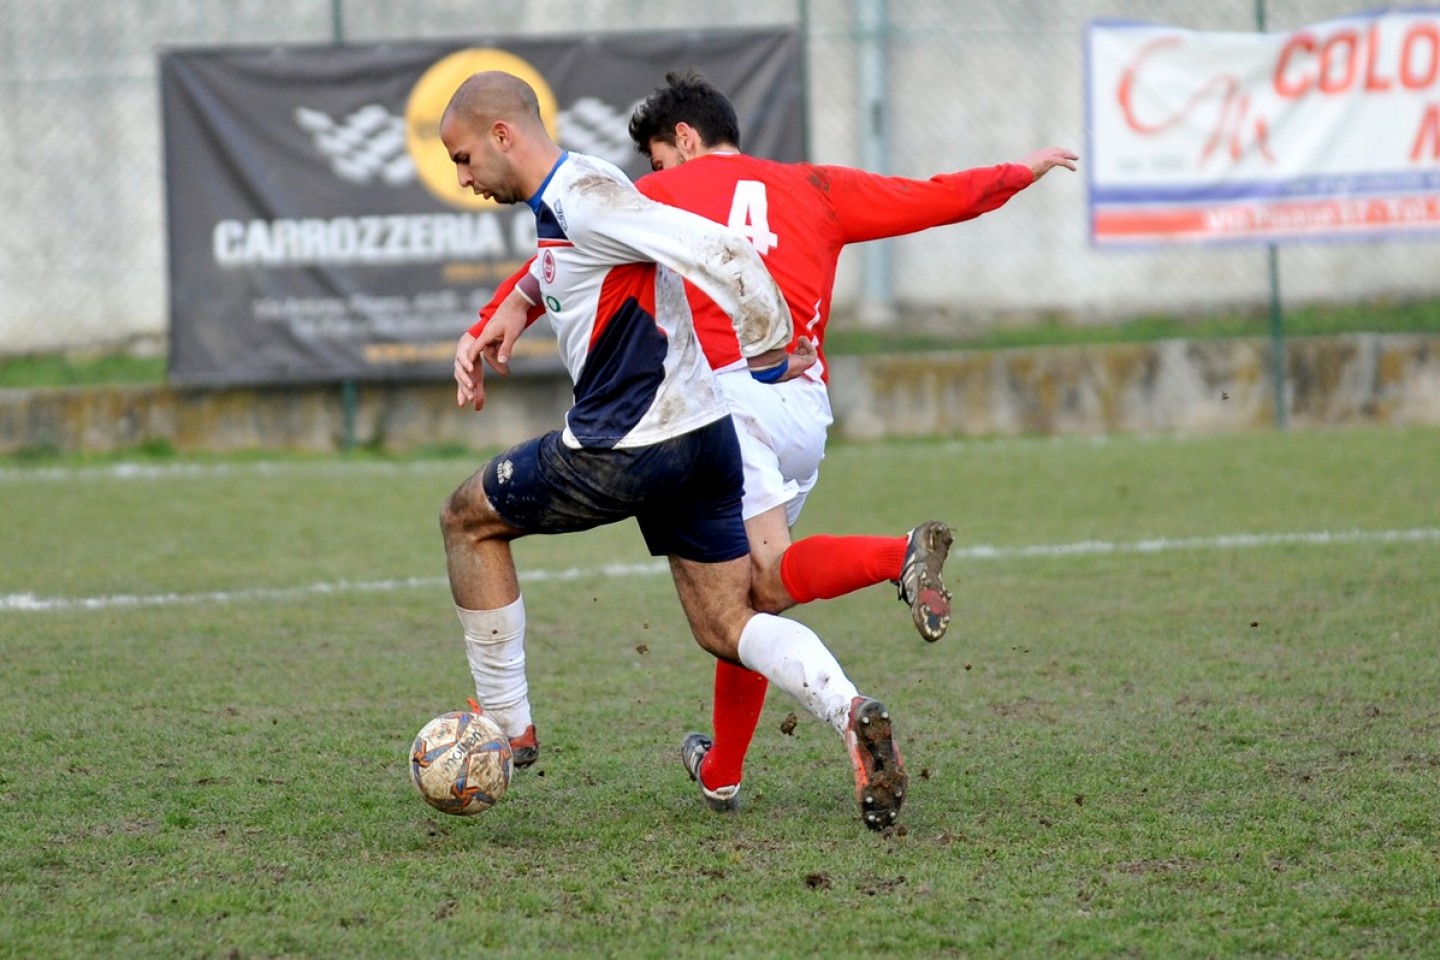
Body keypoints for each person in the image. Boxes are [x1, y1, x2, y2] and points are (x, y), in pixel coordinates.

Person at [464, 69, 1079, 814]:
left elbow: (566, 247)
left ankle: (896, 559)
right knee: (752, 601)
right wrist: (1020, 172)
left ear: (683, 141)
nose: (653, 175)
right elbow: (934, 197)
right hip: (803, 408)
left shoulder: (658, 193)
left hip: (718, 403)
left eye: (657, 159)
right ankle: (723, 771)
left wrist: (497, 315)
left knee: (757, 587)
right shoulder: (816, 184)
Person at [438, 70, 908, 831]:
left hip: (626, 446)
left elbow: (721, 250)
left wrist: (766, 347)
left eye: (463, 158)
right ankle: (849, 709)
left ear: (503, 135)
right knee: (728, 623)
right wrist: (511, 311)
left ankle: (506, 729)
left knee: (468, 519)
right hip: (705, 443)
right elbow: (566, 263)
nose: (463, 178)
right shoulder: (576, 193)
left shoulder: (584, 197)